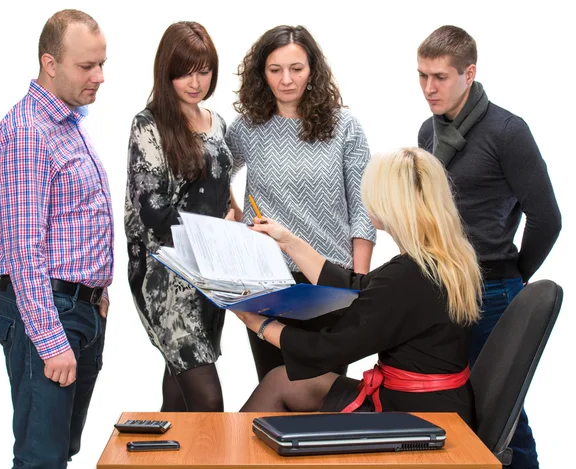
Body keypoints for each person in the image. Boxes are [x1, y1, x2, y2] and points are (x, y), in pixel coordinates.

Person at [235, 147, 482, 428]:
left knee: (279, 383)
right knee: (280, 380)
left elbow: (329, 348)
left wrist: (255, 322)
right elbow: (361, 289)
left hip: (418, 417)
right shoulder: (444, 258)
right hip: (442, 402)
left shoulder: (408, 276)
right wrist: (288, 241)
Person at [416, 25, 561, 468]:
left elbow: (546, 218)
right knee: (454, 409)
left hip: (493, 291)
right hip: (440, 290)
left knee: (503, 413)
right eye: (421, 76)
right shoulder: (428, 132)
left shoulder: (507, 131)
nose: (428, 88)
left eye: (439, 77)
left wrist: (515, 275)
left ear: (469, 73)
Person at [0, 9, 113, 469]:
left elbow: (75, 220)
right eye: (87, 66)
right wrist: (50, 339)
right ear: (50, 63)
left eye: (102, 64)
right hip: (49, 316)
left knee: (60, 452)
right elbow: (23, 251)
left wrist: (96, 294)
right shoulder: (27, 133)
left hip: (78, 310)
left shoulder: (67, 123)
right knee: (41, 459)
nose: (99, 76)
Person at [226, 25, 376, 382]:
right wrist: (239, 223)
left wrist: (360, 283)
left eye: (296, 68)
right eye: (275, 70)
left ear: (313, 70)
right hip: (265, 281)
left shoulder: (345, 126)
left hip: (330, 280)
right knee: (274, 389)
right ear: (262, 74)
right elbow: (214, 178)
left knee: (324, 392)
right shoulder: (247, 128)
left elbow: (363, 209)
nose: (287, 80)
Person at [124, 22, 234, 413]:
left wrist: (235, 223)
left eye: (204, 71)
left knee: (180, 393)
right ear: (166, 70)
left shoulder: (218, 122)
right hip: (166, 274)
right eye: (185, 71)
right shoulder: (149, 124)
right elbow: (151, 209)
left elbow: (221, 192)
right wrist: (213, 234)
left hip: (211, 274)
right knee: (208, 399)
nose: (195, 82)